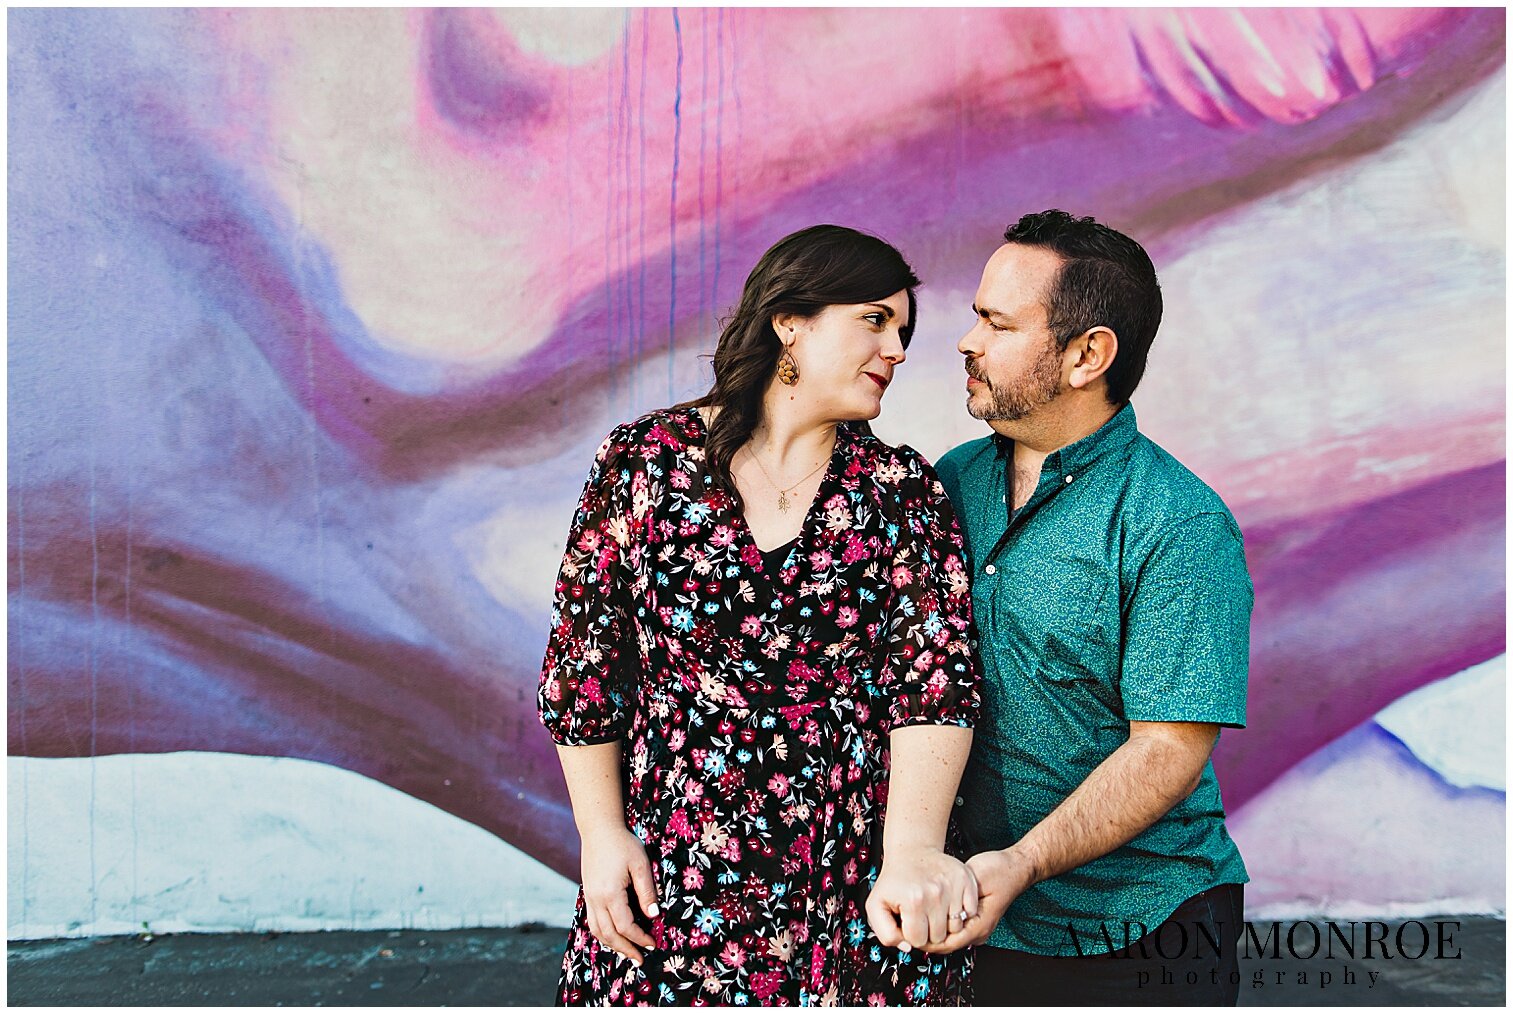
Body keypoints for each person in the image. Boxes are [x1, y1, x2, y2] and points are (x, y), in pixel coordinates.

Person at [537, 225, 983, 1005]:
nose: (899, 350)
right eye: (875, 320)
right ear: (790, 321)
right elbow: (584, 663)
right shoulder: (643, 461)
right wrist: (601, 836)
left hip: (842, 872)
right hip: (675, 860)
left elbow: (934, 683)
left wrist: (909, 852)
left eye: (902, 330)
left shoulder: (898, 490)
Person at [931, 210, 1253, 1004]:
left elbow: (1167, 749)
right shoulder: (950, 481)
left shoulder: (1176, 521)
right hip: (966, 921)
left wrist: (1022, 862)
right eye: (976, 316)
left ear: (1086, 355)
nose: (968, 342)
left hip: (1139, 931)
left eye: (997, 323)